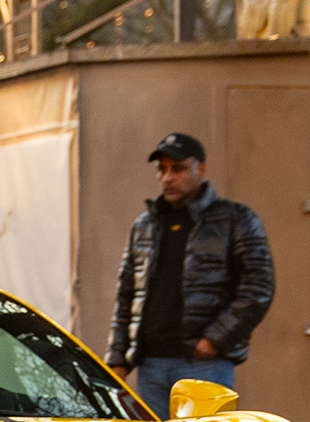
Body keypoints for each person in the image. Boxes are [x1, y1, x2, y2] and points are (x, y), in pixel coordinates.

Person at [107, 132, 275, 405]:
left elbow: (259, 286)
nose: (168, 178)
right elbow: (126, 295)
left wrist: (214, 340)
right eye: (162, 170)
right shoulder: (145, 225)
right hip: (150, 366)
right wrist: (117, 359)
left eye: (178, 168)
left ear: (201, 169)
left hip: (203, 366)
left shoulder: (235, 219)